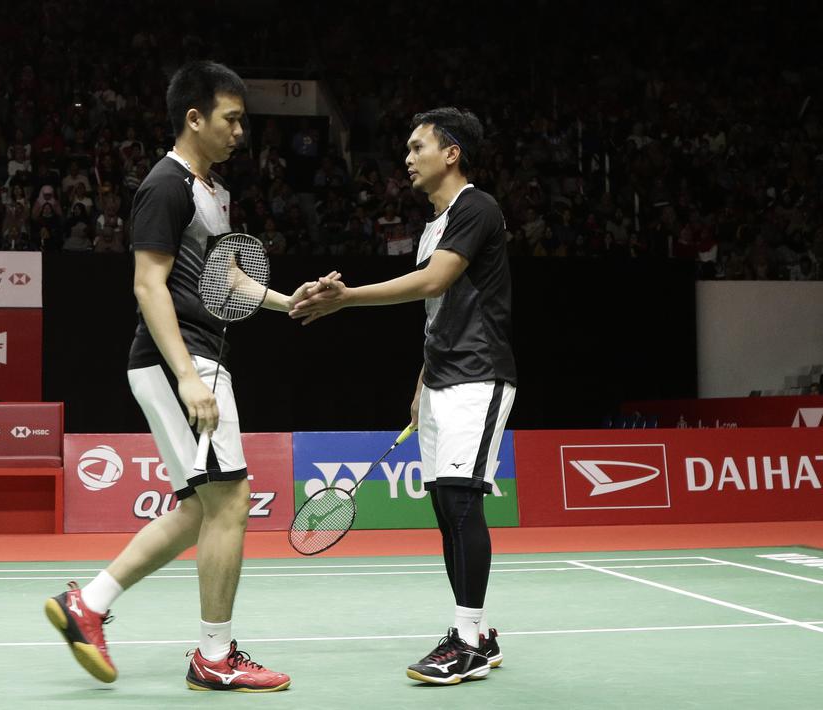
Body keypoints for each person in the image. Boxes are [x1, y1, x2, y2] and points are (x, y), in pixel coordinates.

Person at [45, 61, 306, 693]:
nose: (240, 132)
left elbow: (225, 280)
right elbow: (147, 283)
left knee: (202, 508)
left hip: (195, 356)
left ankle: (92, 603)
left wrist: (285, 302)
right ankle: (214, 655)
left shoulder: (212, 193)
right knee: (232, 500)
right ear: (195, 118)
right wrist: (188, 376)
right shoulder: (166, 186)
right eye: (232, 119)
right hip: (181, 360)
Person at [291, 107, 515, 686]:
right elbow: (437, 314)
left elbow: (434, 282)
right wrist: (420, 384)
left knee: (463, 504)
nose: (408, 157)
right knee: (445, 508)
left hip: (479, 375)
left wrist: (348, 298)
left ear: (452, 153)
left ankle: (465, 639)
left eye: (418, 147)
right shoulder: (434, 225)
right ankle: (479, 634)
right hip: (441, 381)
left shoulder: (476, 208)